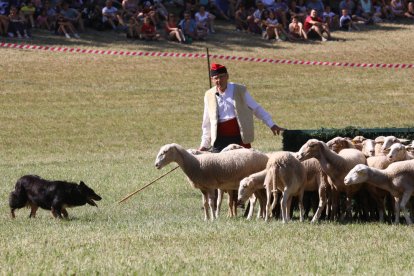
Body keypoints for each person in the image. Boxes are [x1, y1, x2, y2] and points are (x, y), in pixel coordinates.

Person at [198, 63, 285, 152]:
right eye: (216, 78)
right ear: (212, 79)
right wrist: (204, 144)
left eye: (222, 76)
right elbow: (207, 122)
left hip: (240, 138)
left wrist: (271, 124)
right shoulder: (208, 95)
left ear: (227, 76)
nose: (219, 80)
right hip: (219, 140)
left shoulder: (240, 90)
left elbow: (256, 108)